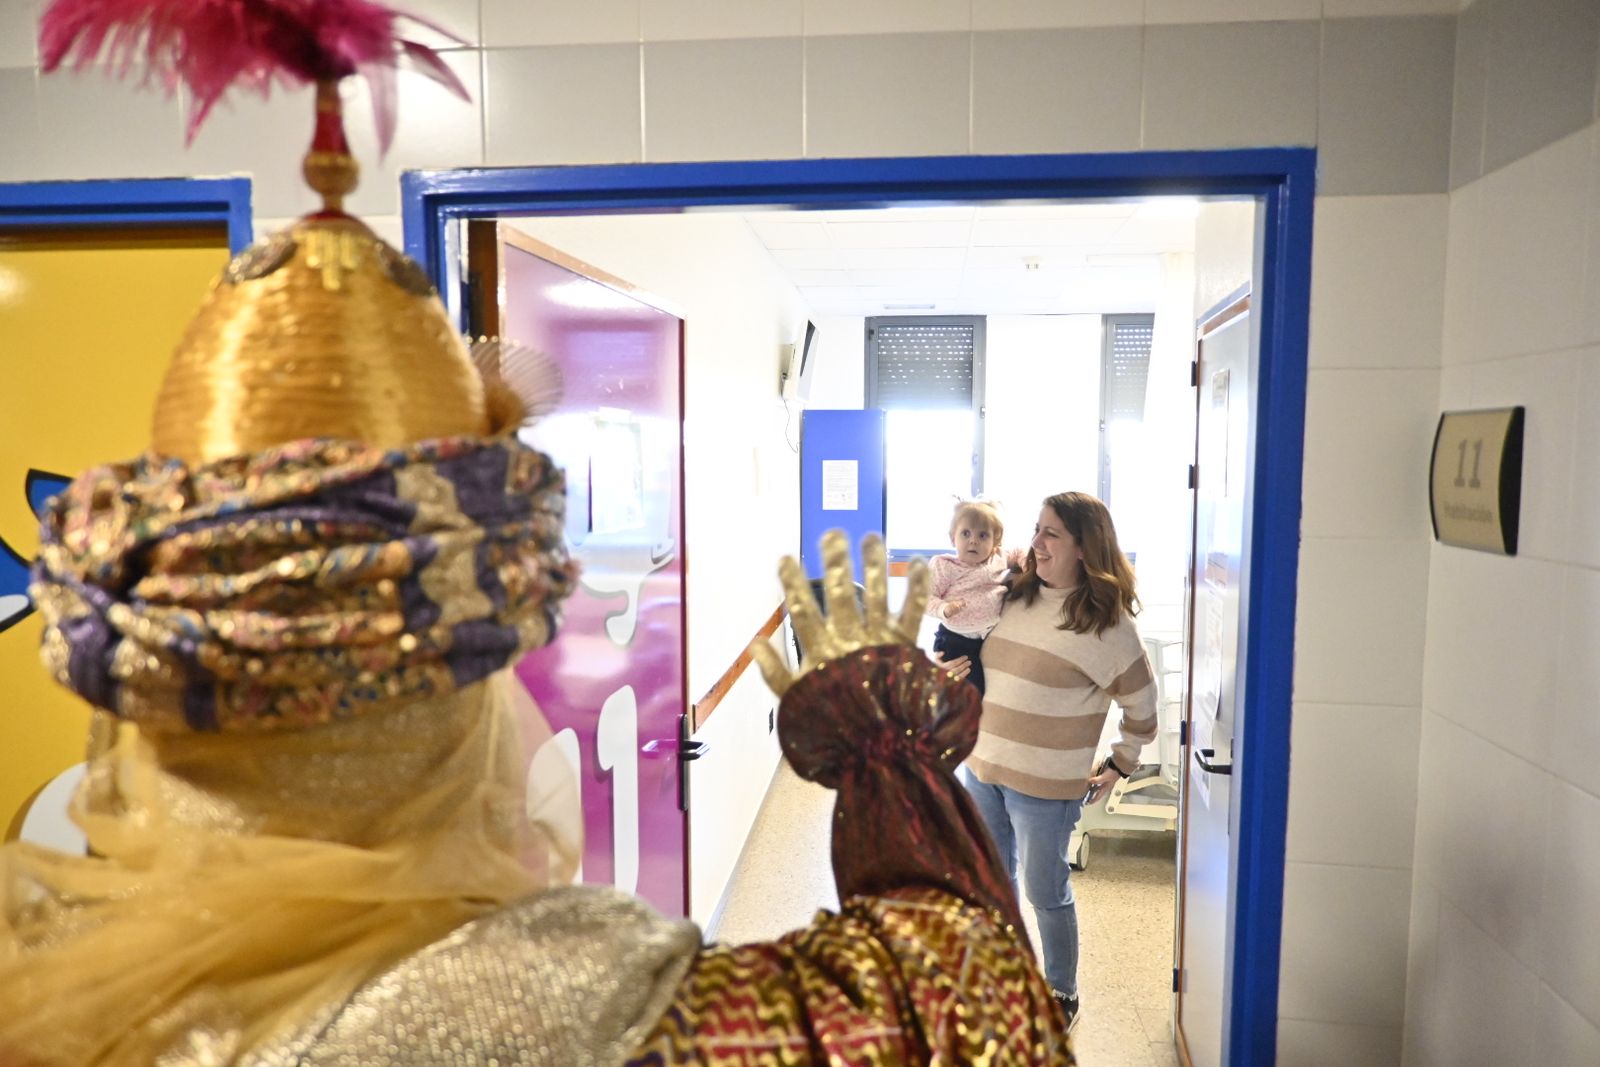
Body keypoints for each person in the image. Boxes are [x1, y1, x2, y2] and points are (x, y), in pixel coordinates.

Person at [0, 5, 1077, 1061]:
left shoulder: (43, 977)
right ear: (439, 703)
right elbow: (969, 1008)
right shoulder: (591, 1020)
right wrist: (875, 729)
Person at [946, 491, 1159, 1034]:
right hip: (982, 768)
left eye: (1050, 534)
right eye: (1036, 530)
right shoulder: (1012, 598)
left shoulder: (1109, 628)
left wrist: (1121, 764)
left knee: (1045, 891)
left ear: (1085, 547)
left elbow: (1143, 709)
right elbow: (973, 657)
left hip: (1045, 785)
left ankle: (1060, 989)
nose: (1035, 543)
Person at [924, 499, 1022, 696]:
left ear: (996, 542)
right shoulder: (945, 566)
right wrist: (944, 608)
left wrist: (1024, 560)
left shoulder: (998, 557)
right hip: (957, 639)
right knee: (970, 691)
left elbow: (1018, 551)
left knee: (997, 687)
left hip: (991, 634)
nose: (973, 540)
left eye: (983, 535)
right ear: (953, 538)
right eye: (965, 533)